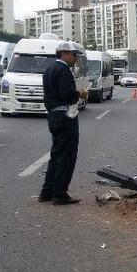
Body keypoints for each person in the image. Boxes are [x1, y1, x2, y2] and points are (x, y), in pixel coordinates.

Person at [39, 41, 88, 205]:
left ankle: (47, 191)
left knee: (56, 154)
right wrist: (80, 94)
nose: (76, 58)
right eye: (74, 55)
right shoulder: (63, 70)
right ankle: (60, 194)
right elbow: (67, 94)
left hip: (53, 115)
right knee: (67, 156)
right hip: (65, 116)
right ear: (64, 54)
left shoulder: (49, 70)